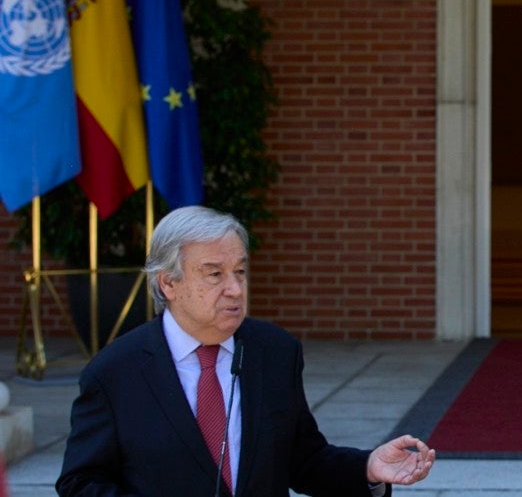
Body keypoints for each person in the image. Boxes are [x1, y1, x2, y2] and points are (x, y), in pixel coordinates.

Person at [58, 205, 436, 496]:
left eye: (239, 272)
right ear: (168, 283)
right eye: (214, 274)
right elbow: (80, 481)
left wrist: (368, 467)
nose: (235, 289)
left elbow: (302, 459)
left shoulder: (275, 353)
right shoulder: (114, 373)